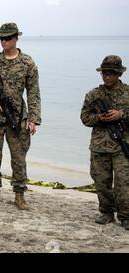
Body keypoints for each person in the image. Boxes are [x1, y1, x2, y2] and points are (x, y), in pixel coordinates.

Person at [0, 23, 41, 210]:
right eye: (1, 38)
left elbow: (33, 93)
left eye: (8, 38)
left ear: (16, 38)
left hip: (17, 118)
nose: (4, 41)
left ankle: (19, 194)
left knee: (18, 158)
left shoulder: (27, 63)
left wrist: (33, 119)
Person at [80, 55, 129, 230]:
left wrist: (121, 114)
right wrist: (100, 117)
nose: (107, 77)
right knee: (102, 182)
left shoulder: (128, 93)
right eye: (104, 73)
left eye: (111, 73)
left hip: (123, 146)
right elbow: (85, 118)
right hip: (100, 146)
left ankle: (125, 215)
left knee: (124, 183)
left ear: (119, 74)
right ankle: (106, 212)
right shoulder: (94, 94)